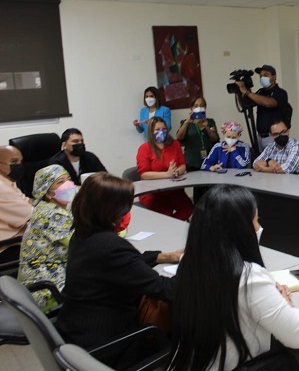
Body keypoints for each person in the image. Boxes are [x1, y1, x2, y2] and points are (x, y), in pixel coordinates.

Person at [167, 184, 299, 371]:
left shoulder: (189, 262)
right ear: (240, 229)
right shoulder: (249, 277)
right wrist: (286, 302)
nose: (260, 228)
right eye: (256, 221)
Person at [56, 172, 183, 351]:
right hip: (107, 344)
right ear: (110, 211)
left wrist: (162, 257)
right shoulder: (110, 245)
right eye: (125, 208)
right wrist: (192, 263)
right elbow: (166, 289)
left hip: (76, 332)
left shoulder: (82, 233)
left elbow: (122, 265)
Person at [17, 165, 75, 309]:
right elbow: (81, 244)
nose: (68, 184)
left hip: (45, 277)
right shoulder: (51, 214)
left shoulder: (52, 207)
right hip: (47, 289)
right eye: (60, 182)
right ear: (48, 193)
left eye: (68, 179)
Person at [136, 117, 194, 220]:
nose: (161, 131)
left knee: (188, 209)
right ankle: (171, 230)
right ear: (151, 131)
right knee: (166, 215)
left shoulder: (175, 144)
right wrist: (167, 174)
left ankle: (173, 229)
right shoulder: (144, 148)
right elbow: (144, 174)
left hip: (172, 190)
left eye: (164, 129)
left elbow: (182, 165)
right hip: (152, 192)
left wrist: (176, 171)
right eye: (157, 129)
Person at [175, 96, 219, 203]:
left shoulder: (210, 122)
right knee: (198, 191)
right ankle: (198, 214)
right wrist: (187, 122)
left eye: (201, 105)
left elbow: (215, 138)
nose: (199, 107)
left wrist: (206, 127)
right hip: (193, 162)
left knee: (211, 190)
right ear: (191, 108)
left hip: (209, 161)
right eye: (196, 106)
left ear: (205, 107)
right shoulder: (185, 123)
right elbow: (179, 137)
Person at [236, 65, 289, 150]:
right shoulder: (261, 91)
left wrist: (246, 92)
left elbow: (268, 102)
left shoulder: (280, 92)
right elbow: (246, 105)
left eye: (266, 75)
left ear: (274, 77)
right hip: (260, 136)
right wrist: (239, 92)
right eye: (261, 76)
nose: (262, 77)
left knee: (274, 161)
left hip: (274, 136)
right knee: (262, 161)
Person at [0, 145, 33, 263]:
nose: (19, 165)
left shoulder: (7, 179)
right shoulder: (2, 188)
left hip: (18, 238)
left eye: (20, 161)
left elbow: (27, 200)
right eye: (14, 162)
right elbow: (32, 215)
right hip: (7, 247)